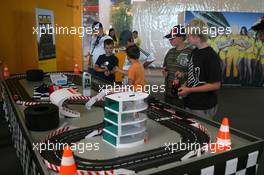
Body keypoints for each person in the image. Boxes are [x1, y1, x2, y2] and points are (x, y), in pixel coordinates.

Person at [178, 19, 222, 120]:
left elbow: (215, 85)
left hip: (203, 106)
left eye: (189, 35)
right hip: (190, 102)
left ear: (197, 36)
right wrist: (186, 85)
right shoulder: (195, 51)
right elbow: (194, 72)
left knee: (203, 133)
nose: (187, 38)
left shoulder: (211, 56)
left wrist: (190, 89)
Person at [163, 25, 192, 99]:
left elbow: (195, 74)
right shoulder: (170, 52)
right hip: (168, 93)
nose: (170, 40)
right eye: (169, 39)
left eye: (172, 38)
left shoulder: (191, 52)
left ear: (181, 38)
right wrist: (164, 72)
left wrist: (183, 74)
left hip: (183, 94)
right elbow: (165, 67)